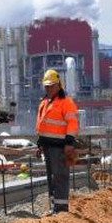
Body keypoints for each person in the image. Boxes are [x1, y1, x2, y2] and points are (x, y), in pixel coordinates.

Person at [35, 68, 78, 214]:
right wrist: (39, 143)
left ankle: (61, 208)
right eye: (47, 86)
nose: (49, 88)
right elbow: (42, 124)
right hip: (47, 146)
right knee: (51, 177)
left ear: (59, 85)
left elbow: (72, 124)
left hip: (59, 147)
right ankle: (55, 207)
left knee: (60, 176)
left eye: (51, 85)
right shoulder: (45, 102)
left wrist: (69, 143)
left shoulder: (66, 102)